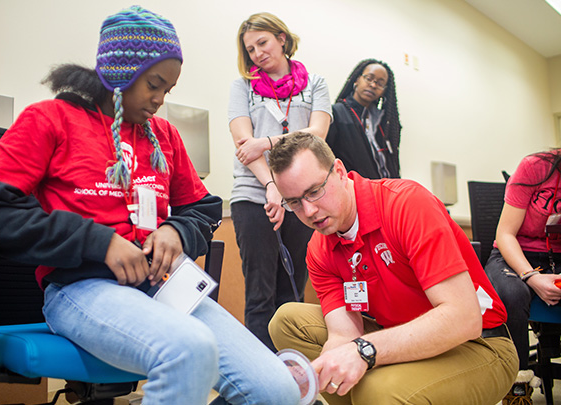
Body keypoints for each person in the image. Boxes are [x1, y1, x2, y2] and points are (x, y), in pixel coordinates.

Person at [0, 6, 300, 405]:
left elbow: (202, 208)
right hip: (81, 287)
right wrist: (98, 241)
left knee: (279, 389)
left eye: (167, 90)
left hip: (161, 290)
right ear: (119, 72)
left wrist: (176, 231)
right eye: (153, 85)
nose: (159, 100)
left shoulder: (163, 135)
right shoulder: (51, 119)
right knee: (188, 351)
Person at [267, 132, 518, 404]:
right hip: (399, 338)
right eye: (294, 202)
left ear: (339, 171)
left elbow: (464, 318)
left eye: (314, 191)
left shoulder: (405, 205)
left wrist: (365, 351)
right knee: (287, 320)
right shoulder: (320, 248)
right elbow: (343, 334)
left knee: (377, 391)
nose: (309, 211)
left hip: (477, 344)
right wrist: (316, 373)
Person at [228, 12, 332, 351]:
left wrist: (268, 142)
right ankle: (259, 384)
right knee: (260, 292)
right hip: (252, 194)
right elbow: (245, 143)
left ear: (282, 39)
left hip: (301, 197)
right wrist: (272, 186)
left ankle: (293, 379)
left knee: (293, 289)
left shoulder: (314, 84)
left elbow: (317, 132)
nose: (257, 53)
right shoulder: (241, 87)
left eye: (263, 43)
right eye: (250, 49)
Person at [484, 150, 561, 404]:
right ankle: (515, 389)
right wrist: (531, 277)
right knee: (511, 294)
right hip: (515, 253)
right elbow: (505, 233)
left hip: (556, 258)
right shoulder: (536, 167)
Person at [326, 59, 401, 179]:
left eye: (380, 83)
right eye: (369, 78)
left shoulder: (385, 123)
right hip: (355, 191)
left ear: (384, 91)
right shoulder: (336, 113)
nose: (373, 85)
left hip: (386, 191)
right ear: (357, 80)